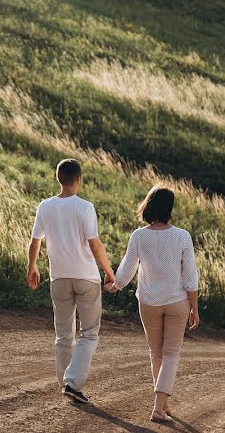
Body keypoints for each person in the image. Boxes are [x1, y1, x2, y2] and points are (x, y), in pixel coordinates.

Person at [105, 185, 200, 422]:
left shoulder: (139, 235)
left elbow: (127, 269)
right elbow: (190, 277)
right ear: (170, 208)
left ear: (148, 205)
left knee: (155, 353)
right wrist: (195, 307)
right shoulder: (182, 236)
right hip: (177, 301)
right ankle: (158, 408)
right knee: (171, 354)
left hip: (148, 302)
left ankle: (162, 403)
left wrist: (115, 286)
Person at [26, 158, 115, 405]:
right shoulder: (85, 207)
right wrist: (109, 271)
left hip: (59, 277)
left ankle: (65, 383)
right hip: (86, 277)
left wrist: (32, 266)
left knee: (63, 334)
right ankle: (72, 383)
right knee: (89, 333)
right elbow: (94, 244)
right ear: (79, 179)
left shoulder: (45, 206)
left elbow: (35, 241)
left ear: (59, 178)